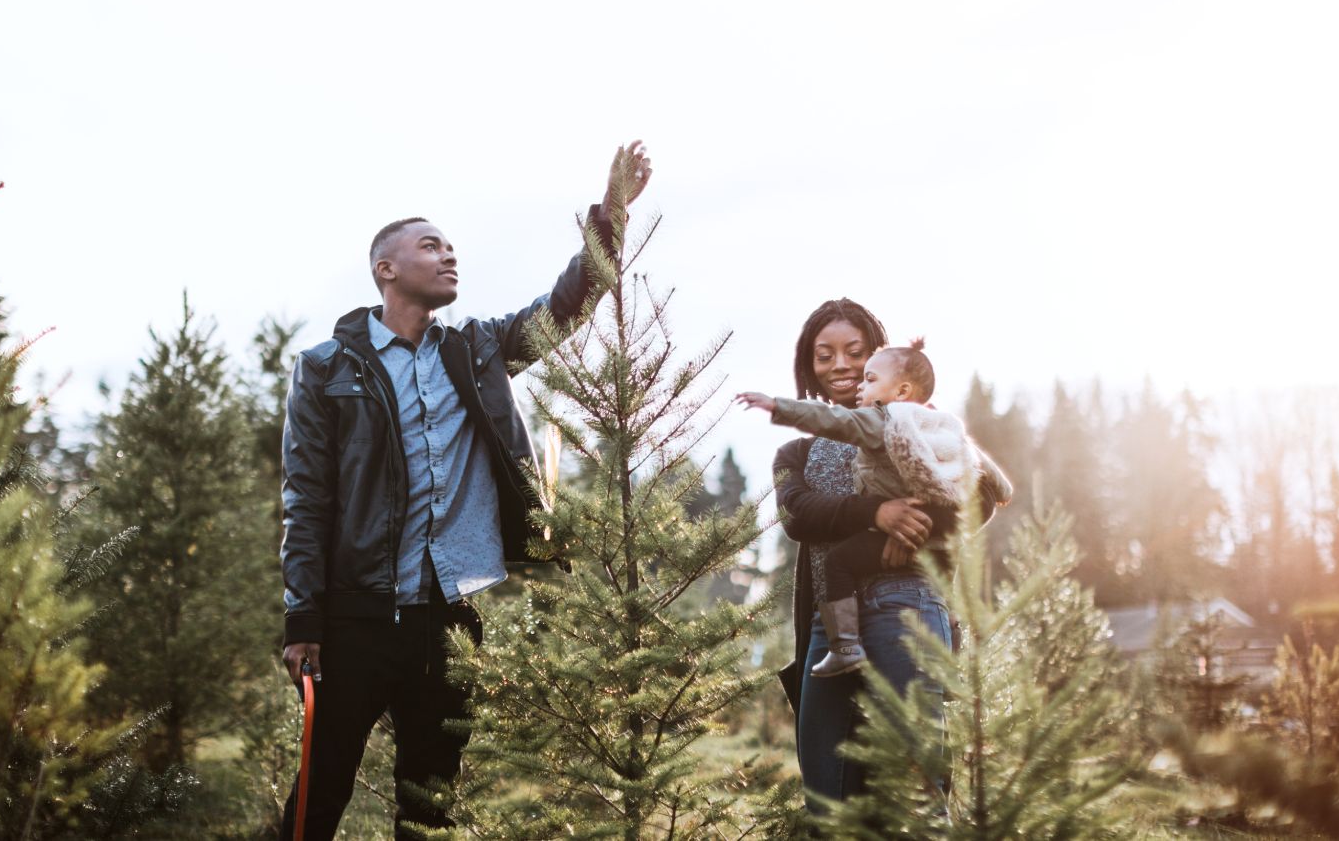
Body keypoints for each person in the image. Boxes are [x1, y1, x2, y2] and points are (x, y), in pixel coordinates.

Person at [277, 142, 652, 840]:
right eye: (430, 246)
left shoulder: (476, 350)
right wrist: (304, 618)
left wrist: (612, 212)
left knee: (430, 808)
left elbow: (568, 306)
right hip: (355, 621)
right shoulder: (326, 369)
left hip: (449, 620)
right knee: (315, 801)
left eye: (452, 248)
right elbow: (307, 498)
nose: (449, 256)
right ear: (386, 269)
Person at [769, 298, 1004, 812]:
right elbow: (797, 514)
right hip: (829, 626)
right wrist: (877, 513)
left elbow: (981, 496)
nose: (840, 366)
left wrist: (918, 528)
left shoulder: (922, 425)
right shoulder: (796, 452)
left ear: (880, 356)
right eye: (823, 355)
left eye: (854, 352)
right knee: (826, 789)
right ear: (808, 366)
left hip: (910, 607)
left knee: (912, 784)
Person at [738, 338, 1009, 677]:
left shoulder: (882, 420)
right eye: (825, 355)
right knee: (945, 571)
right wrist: (1002, 487)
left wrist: (778, 406)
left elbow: (833, 420)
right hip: (934, 529)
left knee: (839, 563)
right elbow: (975, 459)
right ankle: (950, 652)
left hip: (907, 588)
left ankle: (846, 646)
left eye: (867, 374)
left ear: (901, 390)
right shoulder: (938, 423)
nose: (856, 382)